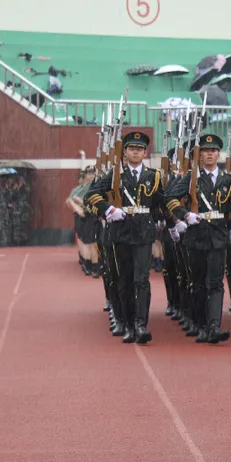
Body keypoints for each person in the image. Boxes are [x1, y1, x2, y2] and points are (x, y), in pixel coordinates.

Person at [86, 131, 165, 344]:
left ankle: (141, 324)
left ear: (145, 152)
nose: (136, 152)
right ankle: (128, 324)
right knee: (125, 281)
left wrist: (174, 221)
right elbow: (91, 195)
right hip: (120, 233)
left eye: (140, 149)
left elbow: (161, 203)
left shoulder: (154, 176)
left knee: (142, 280)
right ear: (125, 152)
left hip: (143, 233)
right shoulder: (114, 175)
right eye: (132, 149)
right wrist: (109, 209)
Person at [167, 132, 231, 345]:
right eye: (206, 151)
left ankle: (214, 325)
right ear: (199, 155)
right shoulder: (190, 178)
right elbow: (170, 199)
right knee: (198, 282)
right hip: (196, 235)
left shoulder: (229, 180)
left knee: (216, 282)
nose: (210, 154)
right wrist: (185, 215)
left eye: (214, 151)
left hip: (218, 234)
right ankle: (200, 324)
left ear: (219, 154)